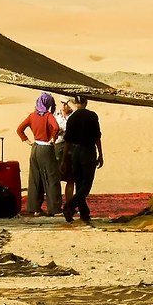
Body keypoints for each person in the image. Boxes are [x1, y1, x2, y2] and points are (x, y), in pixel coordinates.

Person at [59, 95, 103, 225]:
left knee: (79, 183)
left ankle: (84, 212)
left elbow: (68, 140)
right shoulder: (92, 116)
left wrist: (64, 159)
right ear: (86, 102)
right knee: (86, 184)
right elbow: (97, 137)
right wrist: (100, 154)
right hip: (88, 151)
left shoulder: (72, 118)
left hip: (75, 152)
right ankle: (70, 205)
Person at [16, 92, 61, 216]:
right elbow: (56, 127)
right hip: (46, 149)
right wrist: (53, 138)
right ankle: (54, 208)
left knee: (35, 179)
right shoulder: (48, 116)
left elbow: (19, 129)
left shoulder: (32, 116)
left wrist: (27, 141)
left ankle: (34, 208)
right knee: (51, 178)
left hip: (35, 148)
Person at [53, 98, 74, 206]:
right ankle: (56, 204)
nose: (64, 105)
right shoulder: (55, 115)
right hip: (57, 145)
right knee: (56, 177)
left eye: (66, 103)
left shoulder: (74, 116)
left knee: (71, 178)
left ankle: (69, 203)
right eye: (62, 103)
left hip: (70, 147)